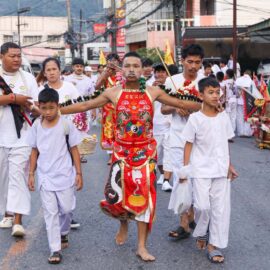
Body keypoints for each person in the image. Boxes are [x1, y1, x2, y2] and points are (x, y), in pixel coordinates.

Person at [60, 52, 201, 261]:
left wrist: (201, 102)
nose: (132, 69)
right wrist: (54, 110)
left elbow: (185, 104)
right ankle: (123, 223)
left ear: (144, 69)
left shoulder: (153, 92)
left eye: (136, 65)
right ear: (122, 69)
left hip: (145, 155)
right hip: (121, 154)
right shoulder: (113, 92)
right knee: (119, 196)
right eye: (128, 66)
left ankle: (142, 246)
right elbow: (84, 105)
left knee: (145, 199)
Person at [180, 77, 238, 263]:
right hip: (200, 170)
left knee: (220, 210)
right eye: (210, 92)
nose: (215, 96)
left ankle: (214, 245)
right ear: (201, 95)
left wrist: (229, 165)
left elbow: (225, 143)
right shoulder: (195, 119)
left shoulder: (224, 117)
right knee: (202, 206)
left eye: (217, 92)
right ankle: (203, 229)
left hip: (221, 169)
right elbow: (188, 145)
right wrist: (185, 171)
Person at [28, 88, 83, 264]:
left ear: (57, 106)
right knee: (50, 213)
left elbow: (74, 149)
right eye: (44, 108)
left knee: (66, 209)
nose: (48, 112)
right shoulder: (36, 125)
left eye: (51, 108)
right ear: (39, 106)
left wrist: (79, 173)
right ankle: (55, 248)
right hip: (45, 176)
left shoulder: (66, 125)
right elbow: (34, 151)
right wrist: (31, 174)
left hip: (65, 175)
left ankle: (64, 232)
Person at [162, 44, 204, 240]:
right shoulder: (173, 82)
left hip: (201, 141)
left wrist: (194, 108)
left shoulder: (206, 82)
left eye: (197, 62)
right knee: (181, 179)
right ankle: (183, 222)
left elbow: (215, 108)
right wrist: (176, 107)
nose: (193, 66)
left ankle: (194, 216)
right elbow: (163, 108)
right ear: (182, 61)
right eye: (190, 61)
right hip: (178, 138)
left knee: (198, 181)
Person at [0, 42, 39, 236]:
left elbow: (35, 103)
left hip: (23, 136)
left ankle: (18, 220)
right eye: (12, 56)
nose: (16, 59)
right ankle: (7, 212)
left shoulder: (28, 78)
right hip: (1, 137)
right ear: (1, 57)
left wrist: (31, 106)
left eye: (18, 56)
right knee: (3, 179)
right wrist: (14, 99)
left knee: (18, 177)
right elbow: (14, 99)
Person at [41, 57, 82, 227]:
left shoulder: (70, 88)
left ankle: (67, 213)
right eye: (48, 70)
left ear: (59, 70)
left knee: (70, 174)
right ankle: (53, 214)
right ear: (44, 73)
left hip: (68, 137)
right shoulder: (40, 90)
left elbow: (80, 106)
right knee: (49, 178)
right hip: (48, 139)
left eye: (54, 69)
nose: (51, 72)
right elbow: (37, 112)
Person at [148, 63, 173, 192]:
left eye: (163, 72)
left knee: (169, 153)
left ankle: (166, 181)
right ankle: (161, 173)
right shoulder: (149, 86)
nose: (160, 74)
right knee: (157, 154)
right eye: (157, 72)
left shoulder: (173, 85)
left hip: (170, 125)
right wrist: (151, 92)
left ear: (167, 73)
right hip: (155, 125)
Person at [95, 53, 122, 165]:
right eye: (110, 60)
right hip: (108, 109)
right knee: (109, 132)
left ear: (118, 62)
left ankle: (120, 155)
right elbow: (97, 87)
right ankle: (111, 156)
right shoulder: (105, 74)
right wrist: (104, 75)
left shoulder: (122, 74)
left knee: (121, 131)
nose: (112, 62)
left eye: (115, 60)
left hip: (121, 108)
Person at [235, 70, 254, 137]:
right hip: (248, 101)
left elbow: (235, 90)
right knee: (247, 116)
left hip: (239, 101)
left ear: (244, 73)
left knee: (239, 116)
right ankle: (247, 132)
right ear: (250, 75)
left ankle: (240, 132)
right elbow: (253, 92)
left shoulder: (238, 80)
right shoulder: (251, 81)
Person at [224, 69, 237, 135]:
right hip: (234, 99)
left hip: (228, 100)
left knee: (228, 116)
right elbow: (237, 93)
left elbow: (225, 92)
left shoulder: (225, 82)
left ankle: (228, 133)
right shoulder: (235, 82)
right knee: (233, 116)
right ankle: (232, 131)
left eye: (226, 74)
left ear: (228, 75)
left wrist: (225, 100)